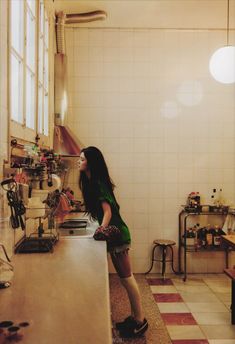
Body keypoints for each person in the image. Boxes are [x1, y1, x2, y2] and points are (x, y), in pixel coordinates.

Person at [78, 146, 148, 338]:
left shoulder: (99, 183)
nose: (79, 161)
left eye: (82, 159)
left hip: (117, 234)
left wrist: (102, 229)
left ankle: (140, 320)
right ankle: (135, 317)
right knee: (125, 279)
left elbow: (108, 211)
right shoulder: (93, 181)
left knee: (127, 278)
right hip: (114, 234)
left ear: (90, 162)